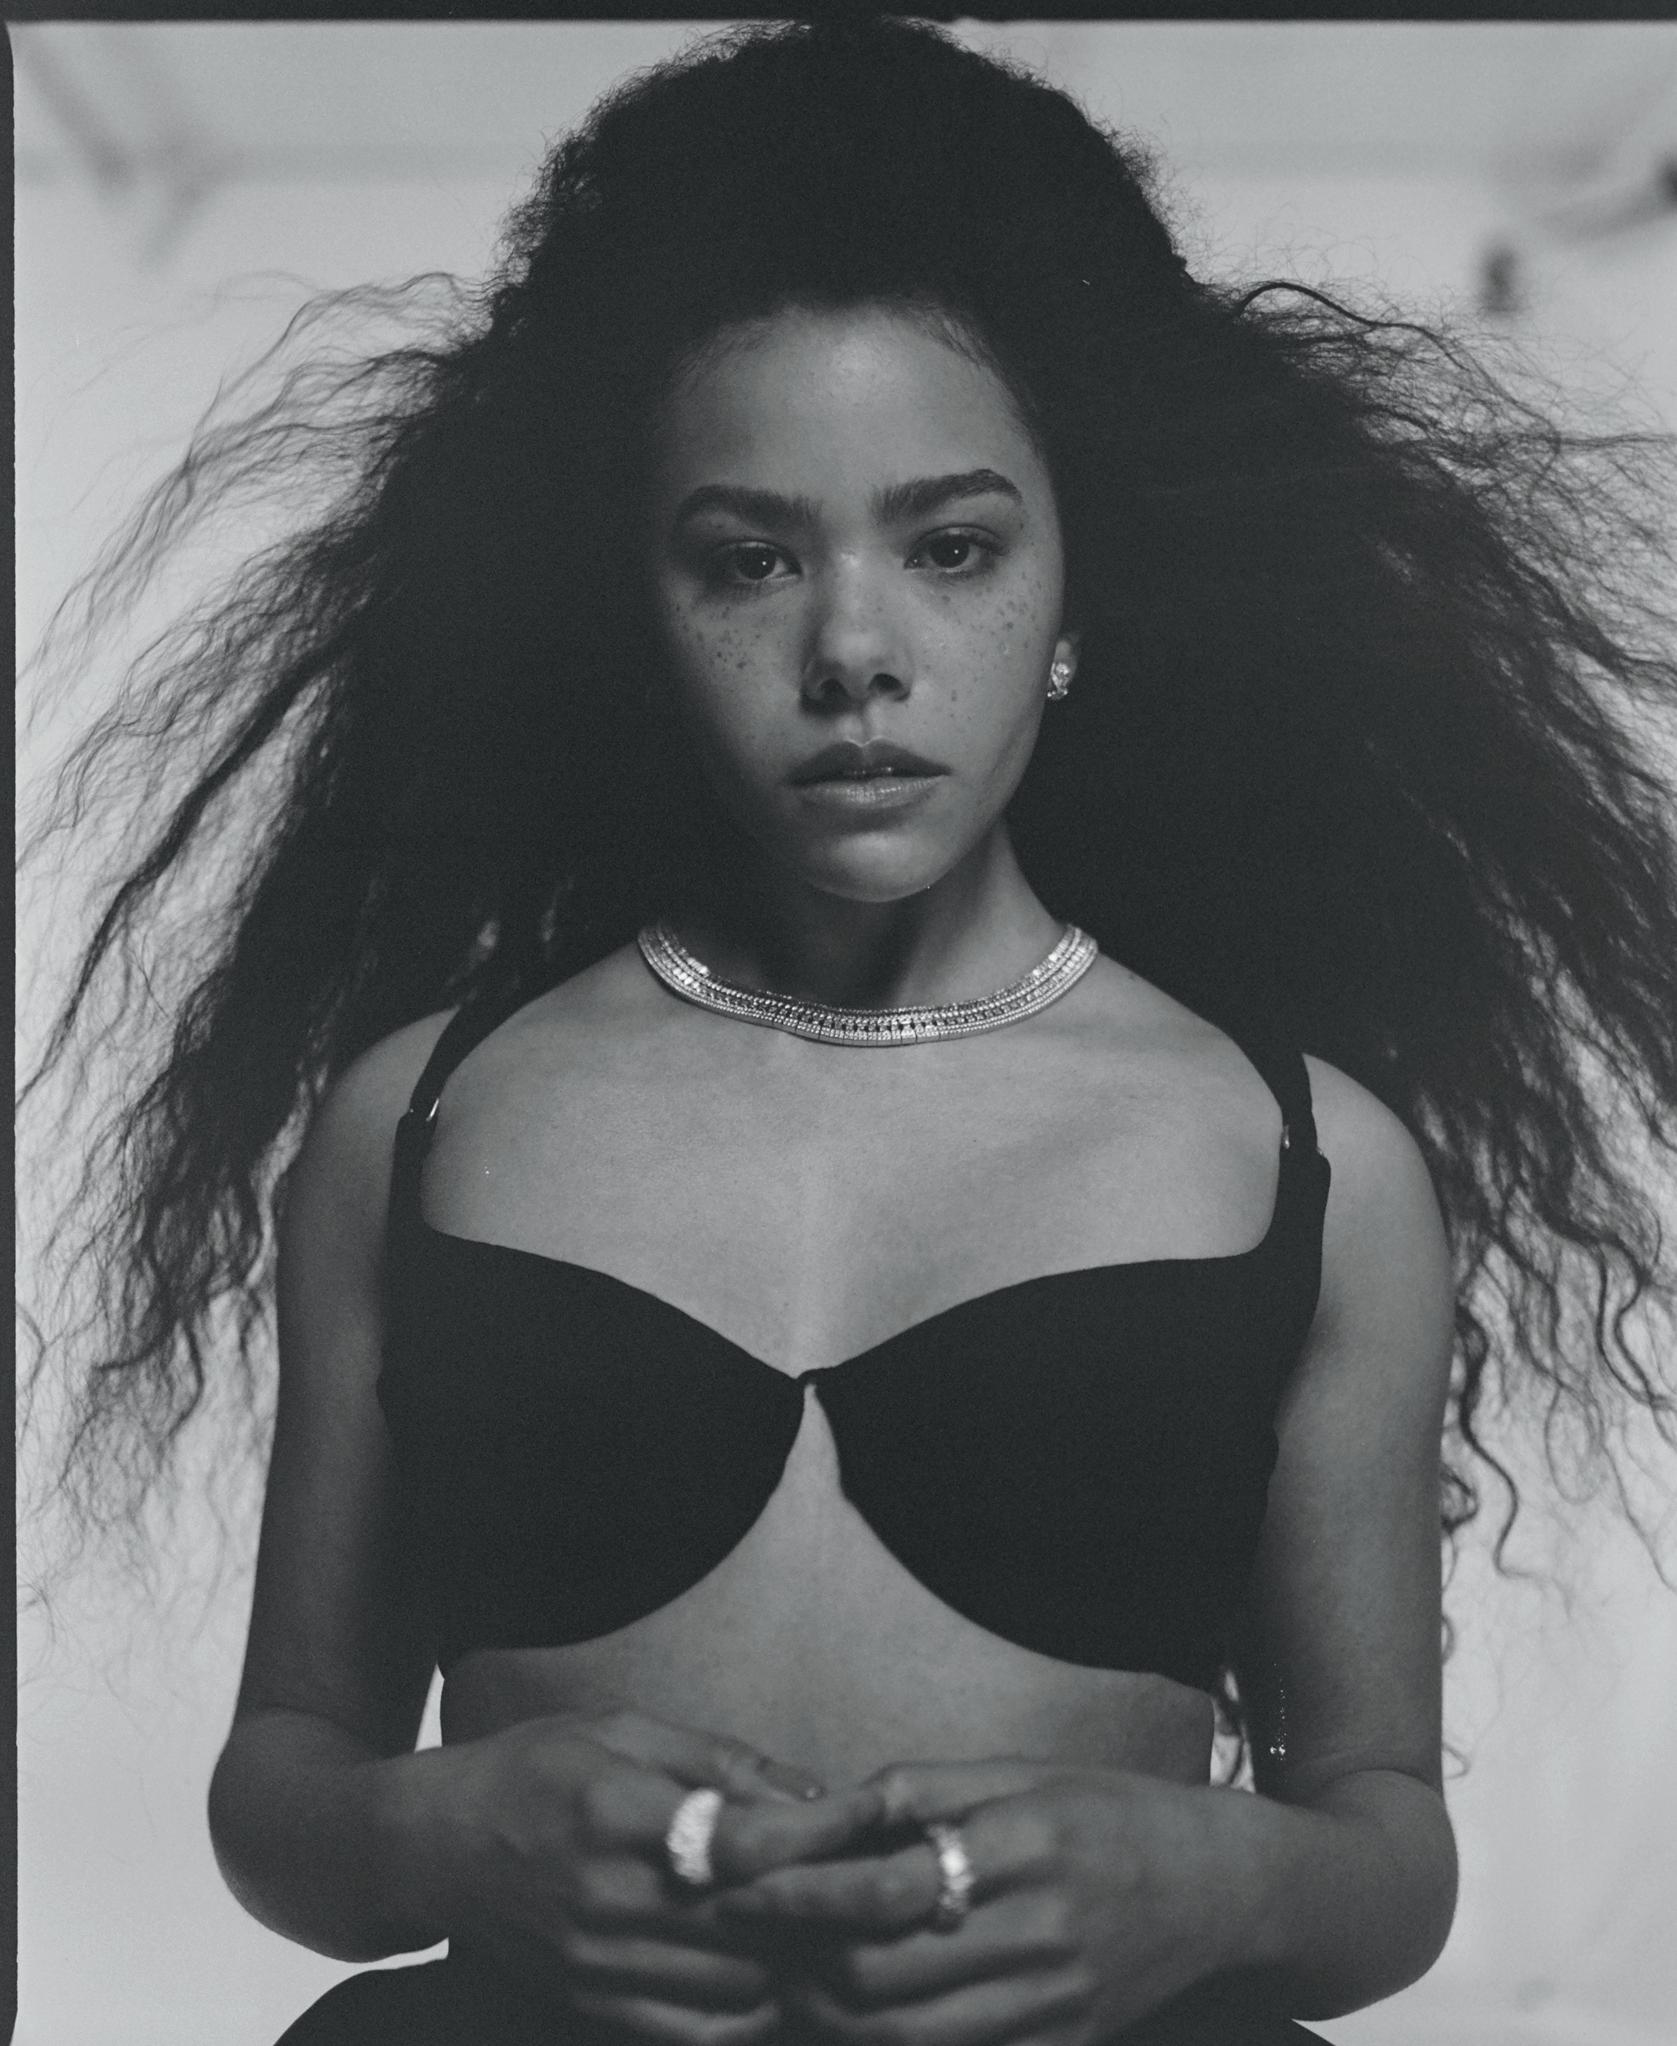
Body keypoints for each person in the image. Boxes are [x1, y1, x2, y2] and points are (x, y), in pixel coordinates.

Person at [18, 19, 1677, 2045]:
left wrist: (1203, 1873)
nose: (853, 653)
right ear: (634, 608)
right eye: (748, 562)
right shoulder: (425, 1121)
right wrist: (453, 1832)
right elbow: (286, 1782)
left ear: (1080, 593)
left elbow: (1382, 1848)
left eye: (952, 545)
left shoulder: (1302, 1162)